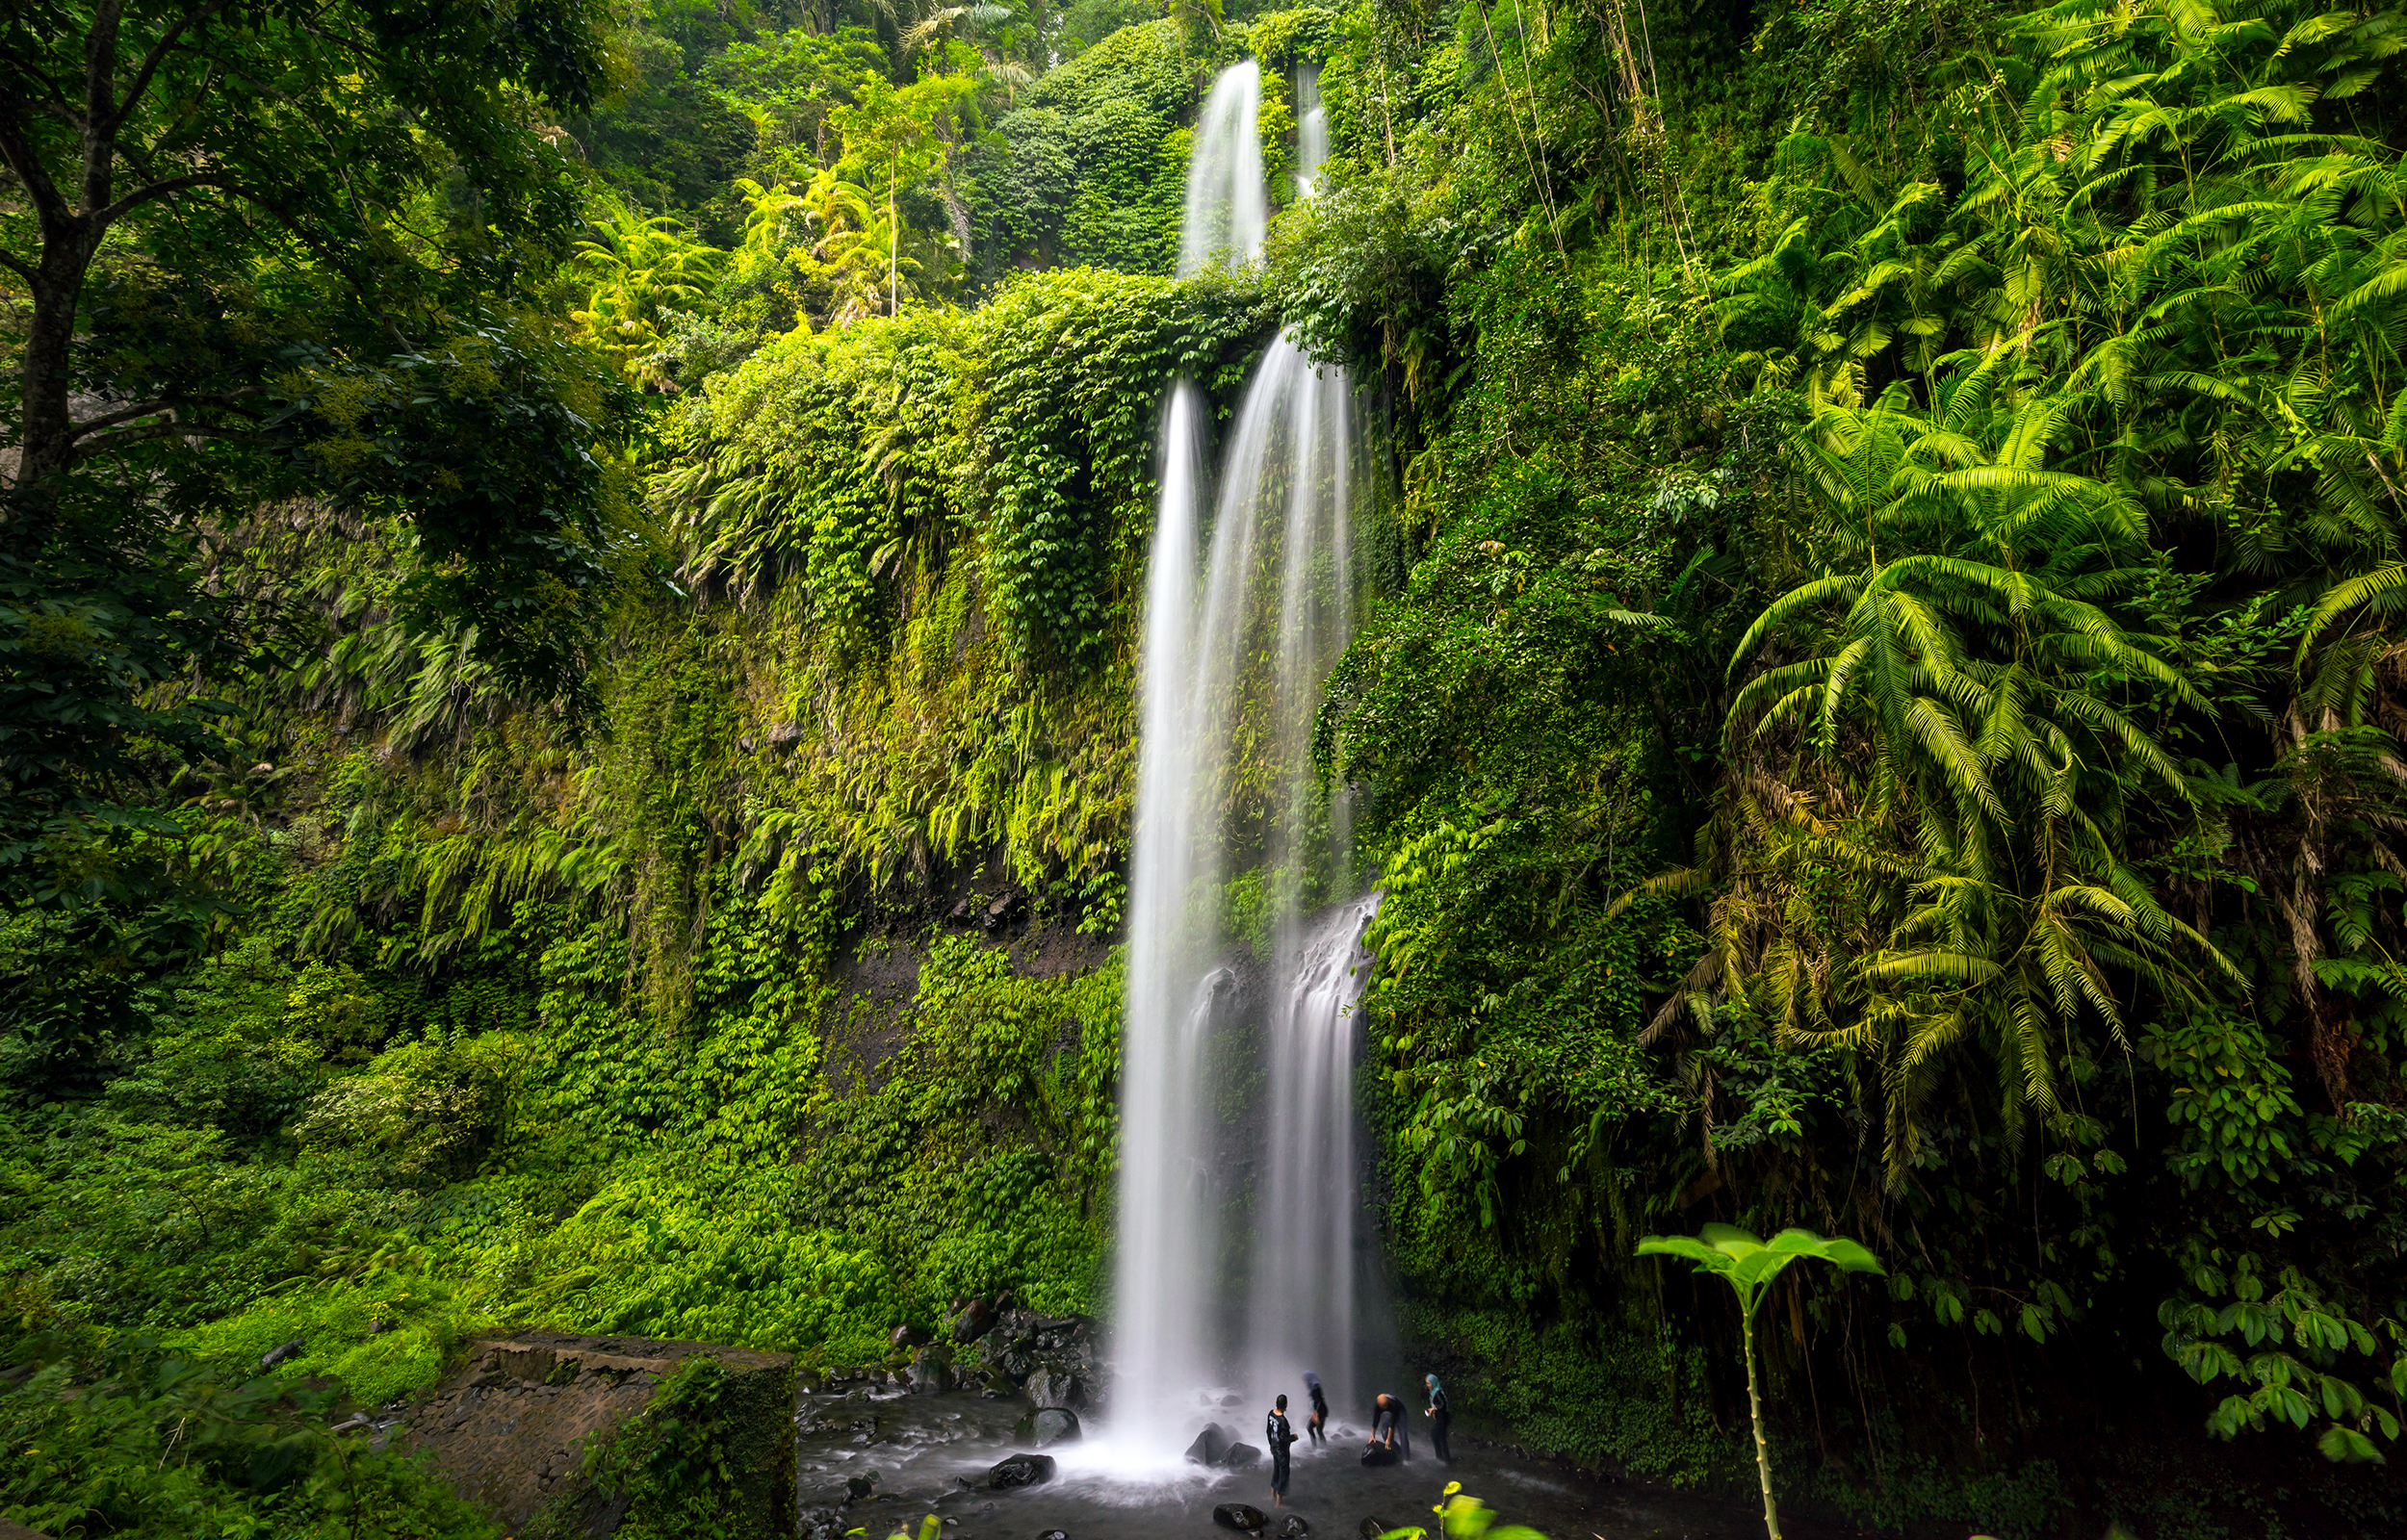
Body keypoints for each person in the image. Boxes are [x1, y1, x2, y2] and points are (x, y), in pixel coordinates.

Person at [1267, 1393, 1299, 1506]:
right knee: (1284, 1474)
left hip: (1274, 1448)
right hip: (1282, 1451)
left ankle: (1272, 1496)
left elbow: (1268, 1431)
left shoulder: (1271, 1414)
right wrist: (1293, 1437)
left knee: (1276, 1471)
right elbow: (1284, 1439)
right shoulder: (1283, 1421)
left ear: (1276, 1403)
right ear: (1286, 1405)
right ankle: (1278, 1503)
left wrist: (1271, 1446)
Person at [1423, 1373, 1451, 1463]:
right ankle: (1442, 1457)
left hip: (1443, 1418)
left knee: (1439, 1437)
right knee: (1437, 1436)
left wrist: (1434, 1409)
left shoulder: (1438, 1392)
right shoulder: (1433, 1392)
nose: (1427, 1385)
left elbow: (1443, 1405)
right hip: (1440, 1417)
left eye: (1428, 1383)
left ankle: (1445, 1459)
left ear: (1433, 1382)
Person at [1304, 1372, 1329, 1445]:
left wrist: (1315, 1413)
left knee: (1309, 1428)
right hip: (1323, 1410)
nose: (1304, 1381)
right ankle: (1323, 1446)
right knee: (1319, 1430)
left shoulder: (1315, 1387)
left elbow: (1318, 1401)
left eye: (1305, 1378)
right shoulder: (1314, 1386)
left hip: (1320, 1411)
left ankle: (1314, 1446)